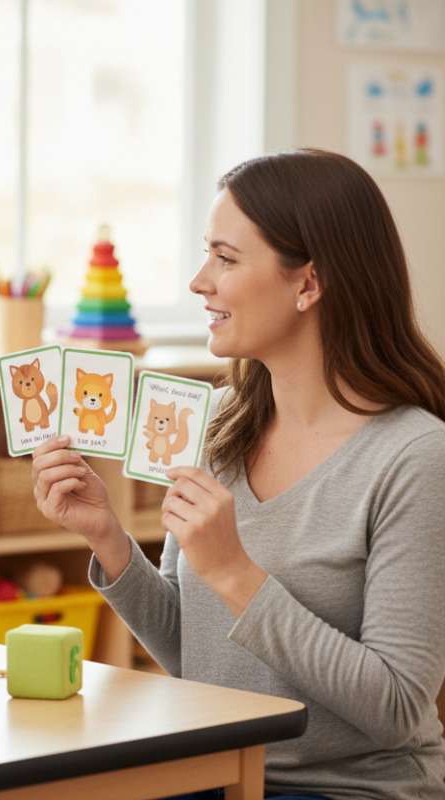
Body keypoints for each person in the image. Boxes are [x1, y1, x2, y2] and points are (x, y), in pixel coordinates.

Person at [31, 148, 445, 798]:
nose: (200, 281)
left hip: (349, 790)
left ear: (308, 284)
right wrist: (108, 538)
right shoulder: (220, 423)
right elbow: (193, 652)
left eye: (225, 258)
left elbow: (396, 706)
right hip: (219, 771)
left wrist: (236, 574)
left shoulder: (415, 456)